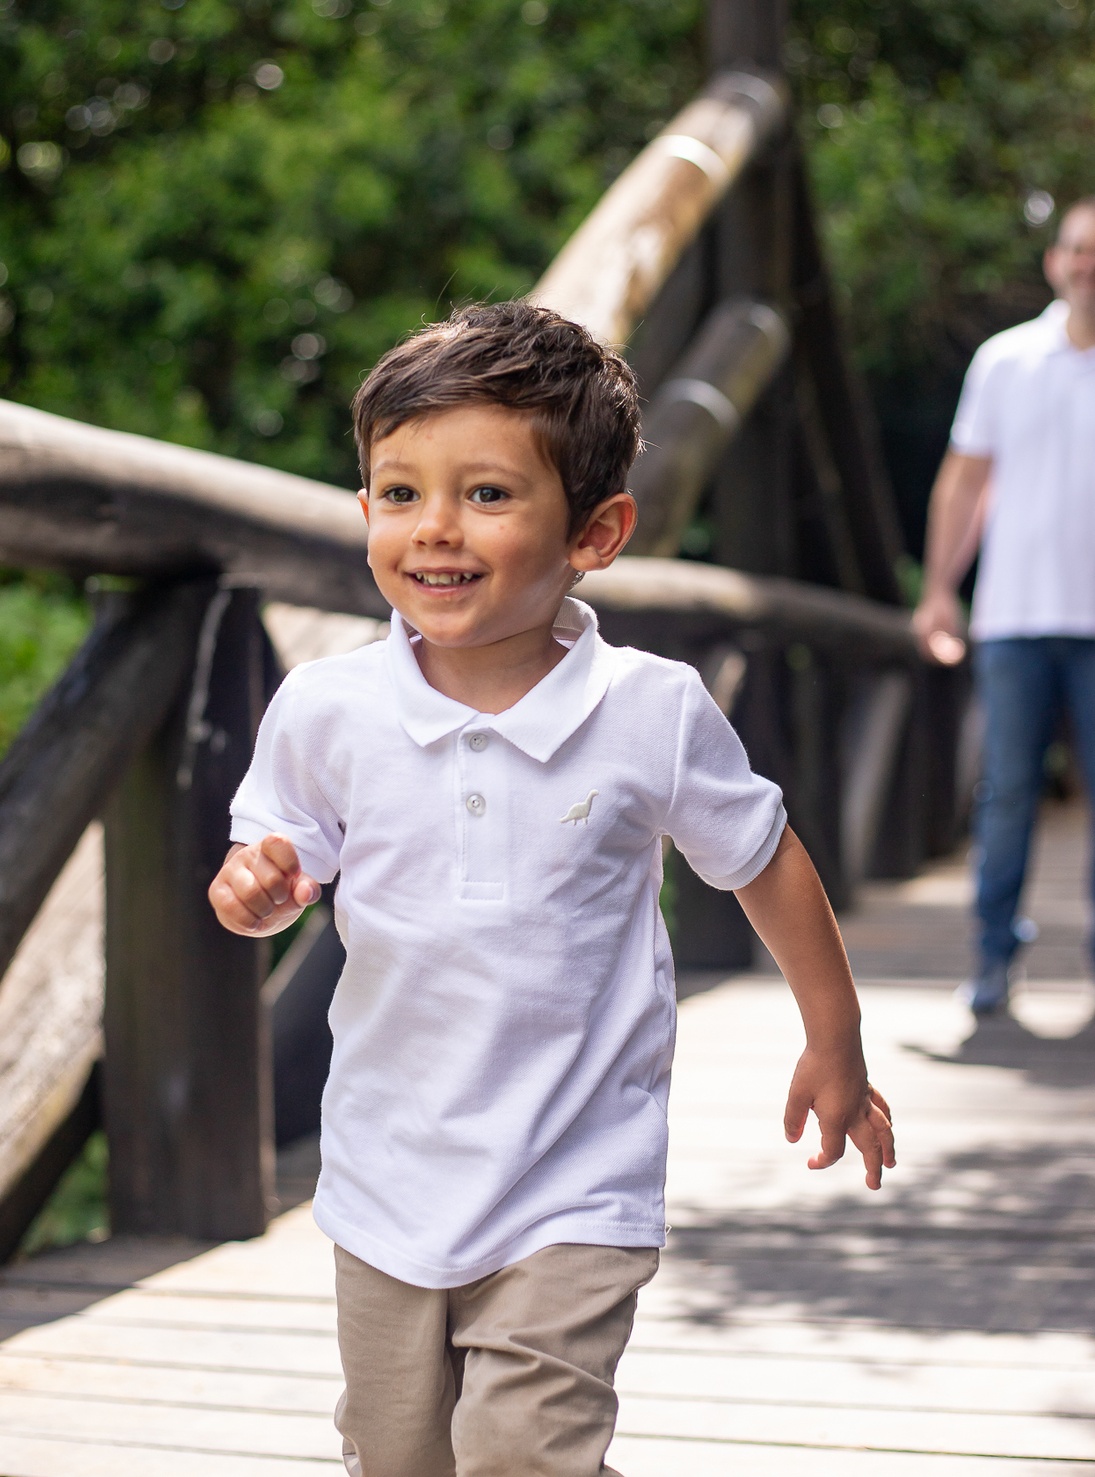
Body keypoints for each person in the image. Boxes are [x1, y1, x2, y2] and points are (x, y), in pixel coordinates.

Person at [209, 301, 895, 1477]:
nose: (435, 527)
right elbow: (273, 864)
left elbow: (763, 858)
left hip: (576, 1176)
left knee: (525, 1450)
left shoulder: (649, 711)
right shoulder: (329, 708)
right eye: (399, 492)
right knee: (398, 1455)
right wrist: (258, 890)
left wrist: (835, 1039)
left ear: (598, 531)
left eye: (487, 493)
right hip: (387, 1172)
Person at [914, 200, 1095, 1014]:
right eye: (1079, 250)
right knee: (1008, 793)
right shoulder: (1004, 360)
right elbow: (964, 483)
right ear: (1056, 261)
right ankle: (992, 956)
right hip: (1014, 618)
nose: (1088, 266)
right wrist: (938, 591)